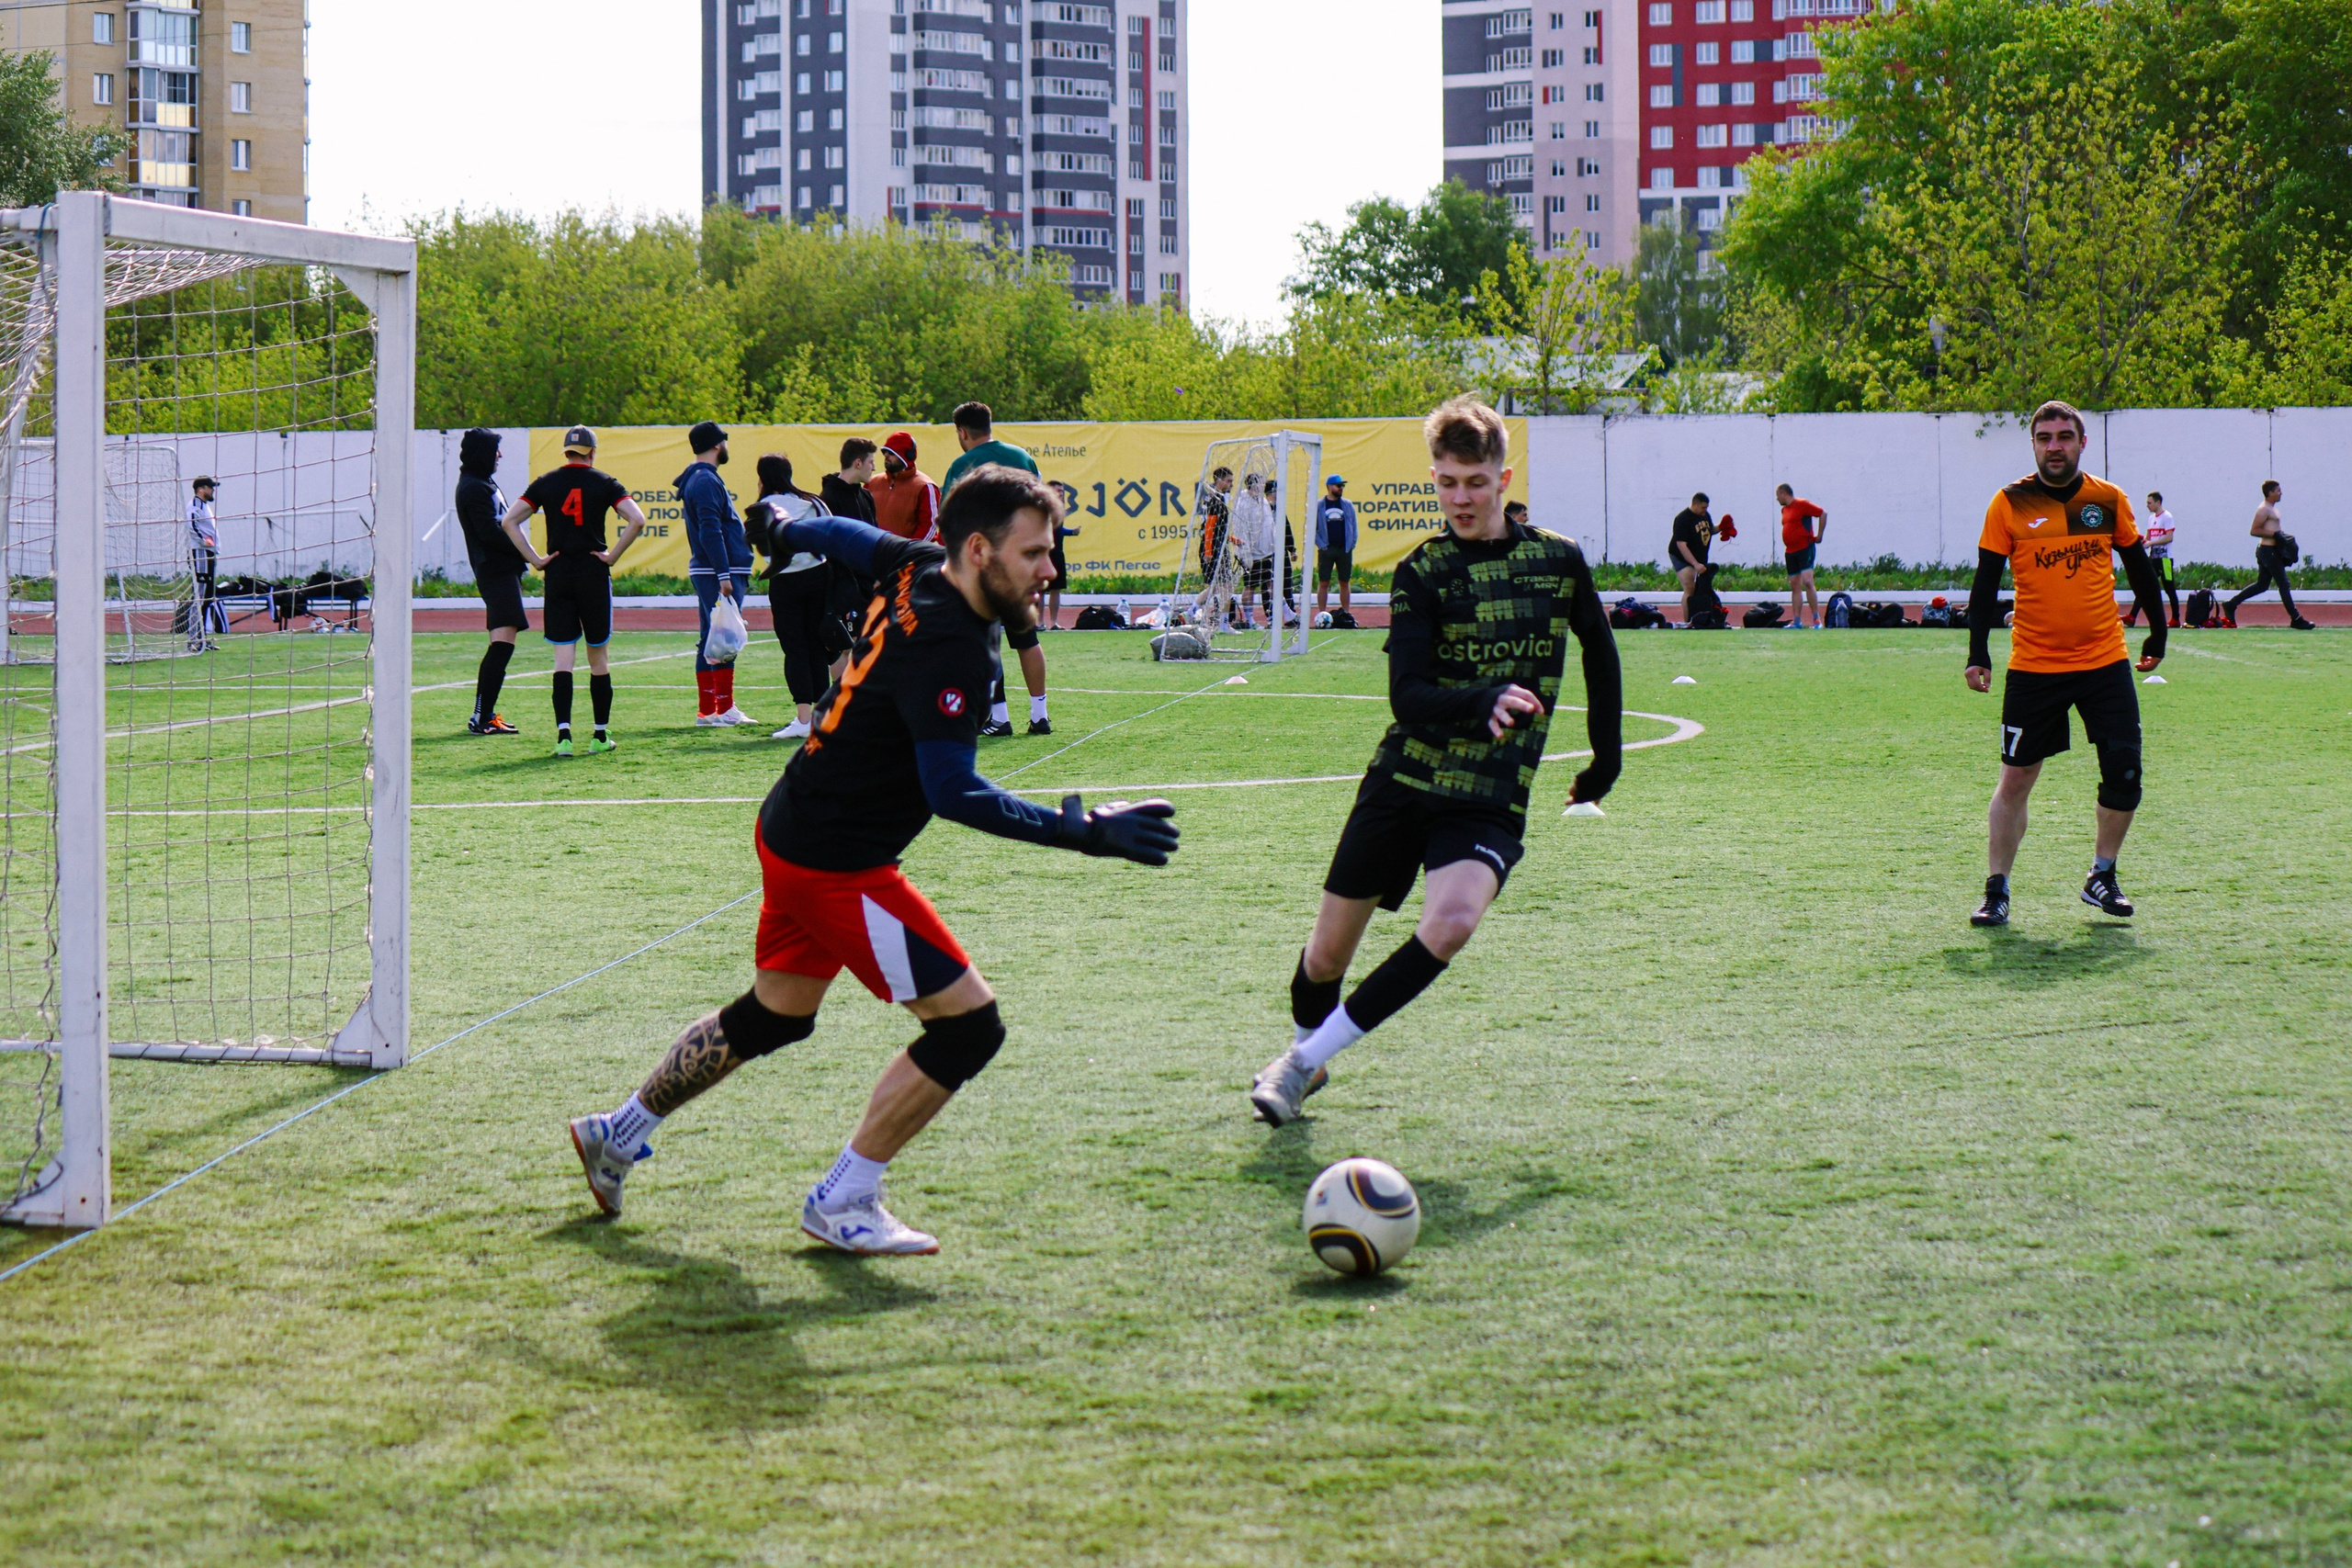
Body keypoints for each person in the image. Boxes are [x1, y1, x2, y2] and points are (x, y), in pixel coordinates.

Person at [566, 468, 1182, 1254]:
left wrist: (789, 531)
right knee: (969, 1030)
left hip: (793, 824)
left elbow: (854, 538)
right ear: (981, 548)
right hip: (837, 862)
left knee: (773, 1015)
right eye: (1034, 554)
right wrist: (1084, 832)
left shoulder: (924, 563)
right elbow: (953, 790)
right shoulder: (953, 643)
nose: (1049, 570)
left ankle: (615, 1133)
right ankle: (845, 1197)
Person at [1248, 398, 1623, 1125]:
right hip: (1406, 779)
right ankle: (1308, 1050)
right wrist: (1479, 699)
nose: (1460, 497)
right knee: (1324, 960)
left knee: (1450, 922)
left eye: (1475, 482)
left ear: (1503, 478)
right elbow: (1407, 696)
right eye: (1447, 482)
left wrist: (1604, 761)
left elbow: (1601, 653)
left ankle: (1295, 1067)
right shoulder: (1423, 571)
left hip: (1488, 791)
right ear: (1433, 478)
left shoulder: (1558, 559)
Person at [1964, 400, 2168, 928]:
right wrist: (1978, 652)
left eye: (2064, 436)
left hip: (2105, 661)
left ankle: (2102, 875)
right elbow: (1986, 582)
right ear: (2034, 445)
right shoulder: (2010, 502)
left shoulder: (2106, 500)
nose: (2055, 445)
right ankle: (1996, 889)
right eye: (2045, 437)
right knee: (2017, 778)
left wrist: (2160, 631)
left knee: (2125, 773)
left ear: (2081, 443)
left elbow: (2140, 569)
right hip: (2035, 665)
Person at [501, 425, 648, 757]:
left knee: (563, 659)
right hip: (593, 573)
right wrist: (612, 556)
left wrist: (536, 560)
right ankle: (598, 735)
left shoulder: (545, 482)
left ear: (566, 451)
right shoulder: (605, 483)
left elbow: (509, 522)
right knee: (598, 658)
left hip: (559, 573)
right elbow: (636, 520)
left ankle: (563, 736)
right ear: (592, 452)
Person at [942, 404, 1051, 734]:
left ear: (962, 431)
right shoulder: (1021, 457)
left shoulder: (962, 465)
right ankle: (1039, 714)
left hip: (986, 563)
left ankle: (999, 716)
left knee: (988, 639)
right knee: (1027, 638)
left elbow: (949, 520)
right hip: (1021, 560)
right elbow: (1044, 505)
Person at [750, 453, 844, 741]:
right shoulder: (814, 501)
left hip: (786, 580)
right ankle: (824, 714)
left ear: (763, 479)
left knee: (795, 648)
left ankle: (804, 718)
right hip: (819, 575)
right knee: (819, 644)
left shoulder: (765, 506)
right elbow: (831, 535)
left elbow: (764, 549)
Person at [679, 420, 758, 728]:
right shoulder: (706, 480)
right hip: (717, 572)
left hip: (711, 569)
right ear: (716, 445)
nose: (726, 446)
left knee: (710, 638)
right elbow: (711, 530)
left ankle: (708, 710)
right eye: (723, 441)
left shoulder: (699, 478)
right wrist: (724, 573)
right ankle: (722, 708)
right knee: (724, 637)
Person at [456, 429, 526, 735]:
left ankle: (486, 714)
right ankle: (481, 716)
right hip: (494, 571)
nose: (500, 455)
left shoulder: (483, 482)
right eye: (495, 450)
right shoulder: (472, 487)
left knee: (502, 644)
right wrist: (528, 552)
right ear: (482, 452)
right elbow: (489, 533)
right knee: (501, 645)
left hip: (503, 570)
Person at [2222, 480, 2315, 630]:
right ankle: (2296, 618)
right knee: (2284, 584)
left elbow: (2274, 530)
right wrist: (2275, 535)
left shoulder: (2273, 509)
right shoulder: (2263, 509)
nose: (2281, 493)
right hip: (2267, 551)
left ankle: (2231, 604)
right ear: (2270, 492)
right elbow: (2254, 530)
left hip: (2272, 551)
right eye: (2278, 490)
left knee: (2262, 585)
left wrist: (2283, 539)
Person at [868, 431, 940, 546]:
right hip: (873, 553)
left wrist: (908, 551)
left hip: (906, 558)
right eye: (885, 452)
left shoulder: (925, 487)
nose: (886, 455)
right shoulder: (871, 483)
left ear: (908, 456)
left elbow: (929, 527)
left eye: (891, 452)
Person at [2123, 491, 2179, 628]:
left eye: (2150, 503)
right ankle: (2132, 616)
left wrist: (2151, 543)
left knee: (2169, 588)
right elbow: (2148, 537)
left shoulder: (2167, 517)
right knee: (2145, 585)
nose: (2147, 505)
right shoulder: (2151, 518)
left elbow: (2169, 537)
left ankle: (2176, 619)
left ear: (2158, 502)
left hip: (2165, 559)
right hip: (2153, 558)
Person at [1777, 483, 1827, 628]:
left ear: (1784, 493)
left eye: (1778, 495)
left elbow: (1823, 514)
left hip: (1805, 548)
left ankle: (1816, 619)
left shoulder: (1802, 505)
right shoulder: (1784, 510)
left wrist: (1819, 535)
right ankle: (1797, 620)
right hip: (1790, 551)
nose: (1777, 499)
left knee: (1808, 582)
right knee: (1794, 585)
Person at [1231, 473, 1277, 630]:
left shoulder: (1263, 501)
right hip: (1252, 553)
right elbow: (1241, 529)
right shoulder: (1243, 504)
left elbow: (1270, 524)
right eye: (1260, 483)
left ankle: (1272, 617)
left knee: (1268, 584)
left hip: (1266, 551)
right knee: (1250, 586)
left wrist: (1274, 543)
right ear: (1253, 484)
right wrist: (1245, 553)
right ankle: (1250, 619)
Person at [186, 475, 223, 650]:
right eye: (210, 487)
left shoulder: (205, 507)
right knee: (199, 597)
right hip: (200, 553)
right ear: (201, 489)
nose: (213, 490)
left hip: (208, 554)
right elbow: (192, 526)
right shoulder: (194, 505)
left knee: (207, 597)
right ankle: (193, 640)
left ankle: (202, 638)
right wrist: (205, 541)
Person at [1315, 474, 1357, 621]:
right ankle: (1322, 614)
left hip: (1344, 549)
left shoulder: (1347, 504)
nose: (1341, 488)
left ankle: (1346, 613)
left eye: (1342, 486)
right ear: (1329, 487)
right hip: (1327, 549)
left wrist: (1351, 544)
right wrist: (1321, 545)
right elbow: (1312, 528)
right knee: (1324, 582)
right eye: (1338, 485)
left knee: (1344, 582)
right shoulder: (1320, 505)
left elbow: (1353, 525)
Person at [1669, 492, 1713, 626]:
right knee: (1689, 587)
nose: (1705, 511)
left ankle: (1698, 618)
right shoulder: (1683, 519)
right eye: (1703, 507)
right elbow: (1681, 544)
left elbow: (1710, 530)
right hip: (1681, 556)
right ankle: (1688, 621)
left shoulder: (1705, 516)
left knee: (1699, 588)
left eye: (1706, 508)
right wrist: (1695, 564)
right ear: (1695, 504)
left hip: (1698, 557)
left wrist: (1723, 527)